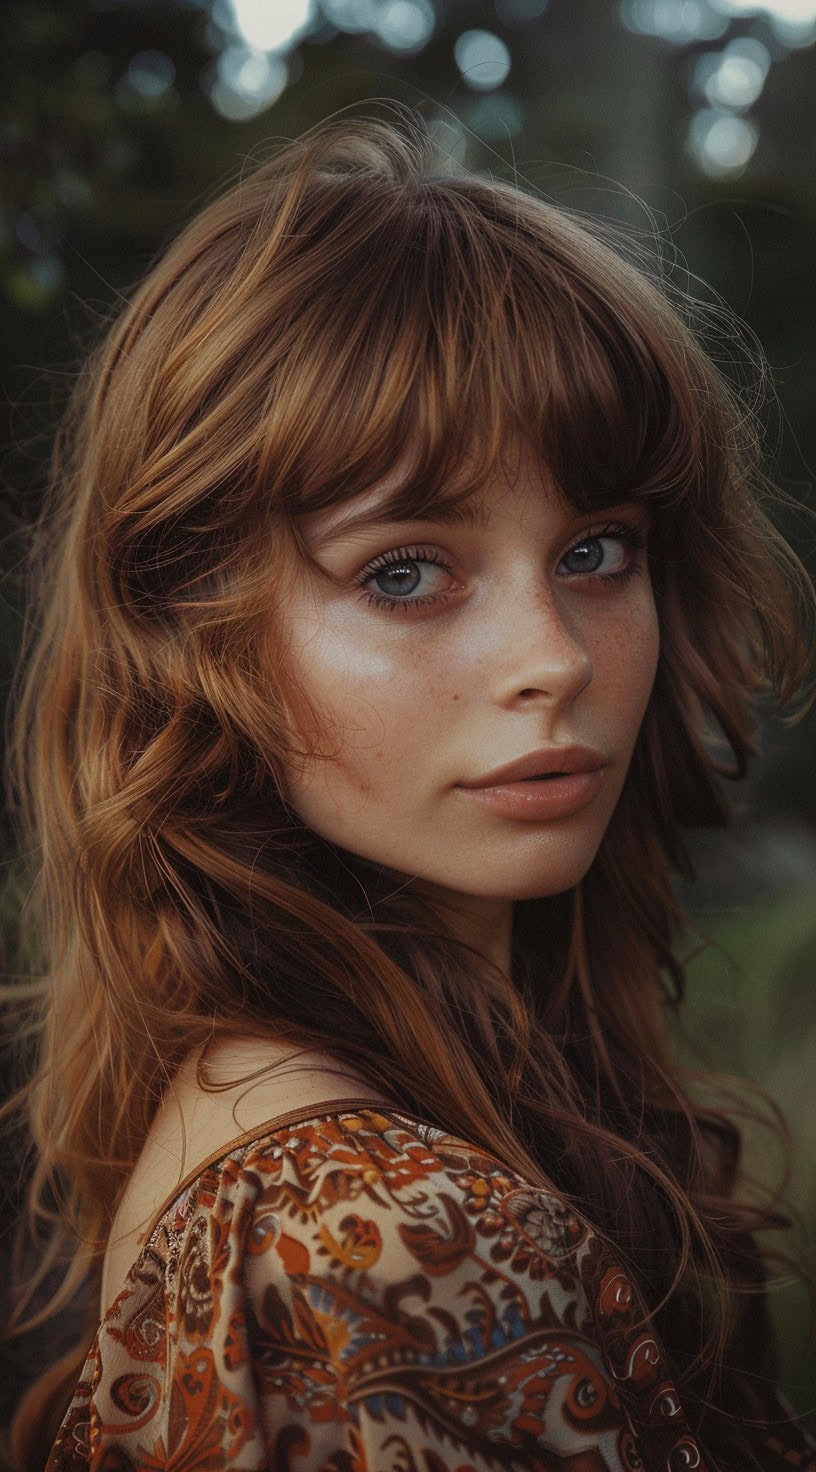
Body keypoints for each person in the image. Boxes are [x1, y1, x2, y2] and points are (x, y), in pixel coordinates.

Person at [2, 107, 815, 1471]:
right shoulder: (377, 1238)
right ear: (196, 631)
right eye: (405, 571)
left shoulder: (333, 1098)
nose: (554, 658)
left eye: (597, 550)